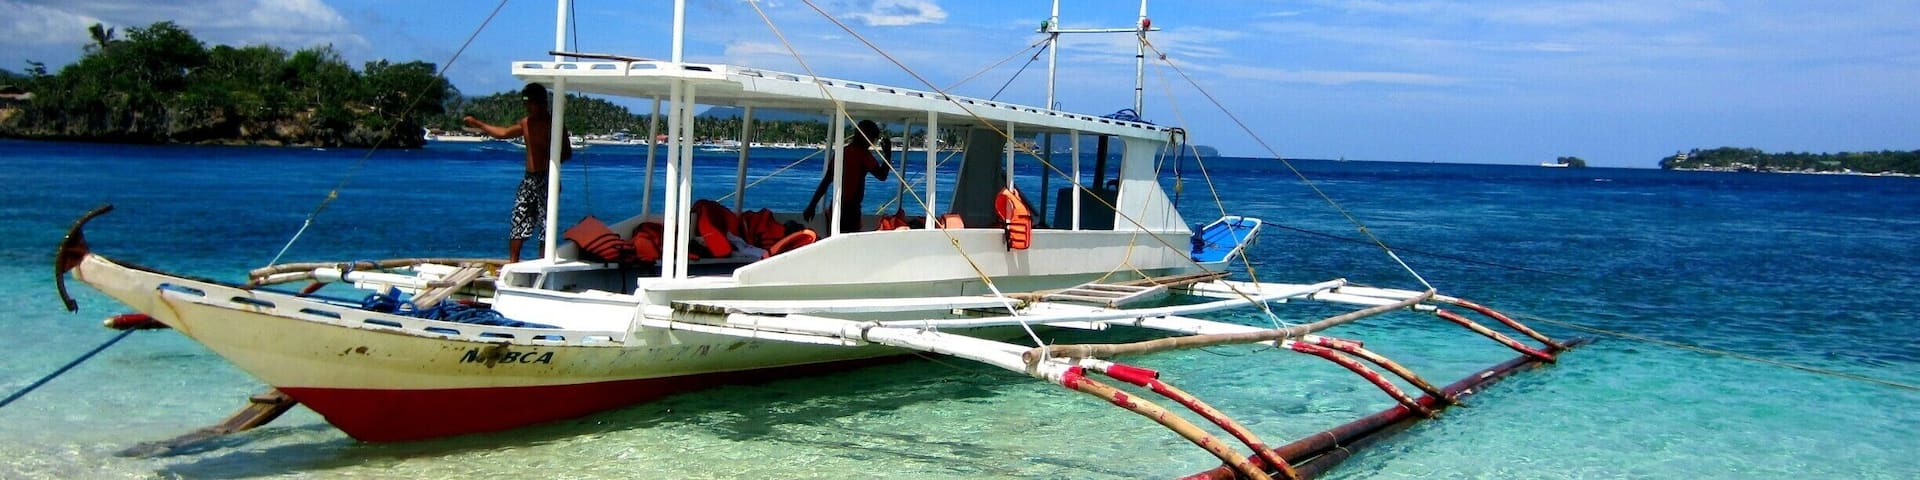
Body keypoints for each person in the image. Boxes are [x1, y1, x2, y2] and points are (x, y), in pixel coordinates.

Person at [463, 83, 573, 262]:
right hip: (529, 179)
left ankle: (542, 263)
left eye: (530, 103)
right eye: (525, 104)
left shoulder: (555, 125)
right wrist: (478, 124)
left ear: (542, 102)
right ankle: (513, 262)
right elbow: (503, 133)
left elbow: (567, 153)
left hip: (547, 178)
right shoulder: (526, 123)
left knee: (547, 223)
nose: (527, 107)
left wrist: (548, 153)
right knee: (518, 219)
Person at [804, 120, 892, 234]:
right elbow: (882, 175)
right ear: (867, 137)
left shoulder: (842, 152)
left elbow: (826, 181)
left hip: (836, 207)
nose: (871, 143)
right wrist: (888, 154)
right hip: (851, 210)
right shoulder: (863, 155)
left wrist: (812, 205)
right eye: (872, 139)